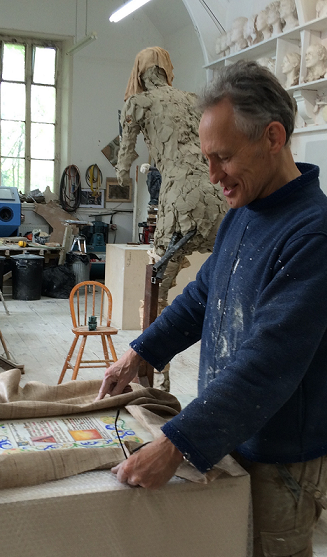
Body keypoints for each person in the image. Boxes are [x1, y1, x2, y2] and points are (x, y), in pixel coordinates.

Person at [98, 60, 327, 557]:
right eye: (207, 159)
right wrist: (141, 353)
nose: (213, 176)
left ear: (273, 137)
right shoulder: (245, 211)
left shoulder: (319, 236)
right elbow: (203, 296)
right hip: (233, 431)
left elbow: (269, 364)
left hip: (285, 456)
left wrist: (177, 443)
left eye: (223, 158)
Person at [117, 47, 228, 391]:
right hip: (217, 195)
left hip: (179, 197)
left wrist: (124, 172)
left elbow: (123, 161)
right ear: (168, 69)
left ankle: (154, 377)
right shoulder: (194, 100)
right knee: (227, 281)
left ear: (138, 71)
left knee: (157, 288)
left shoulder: (137, 103)